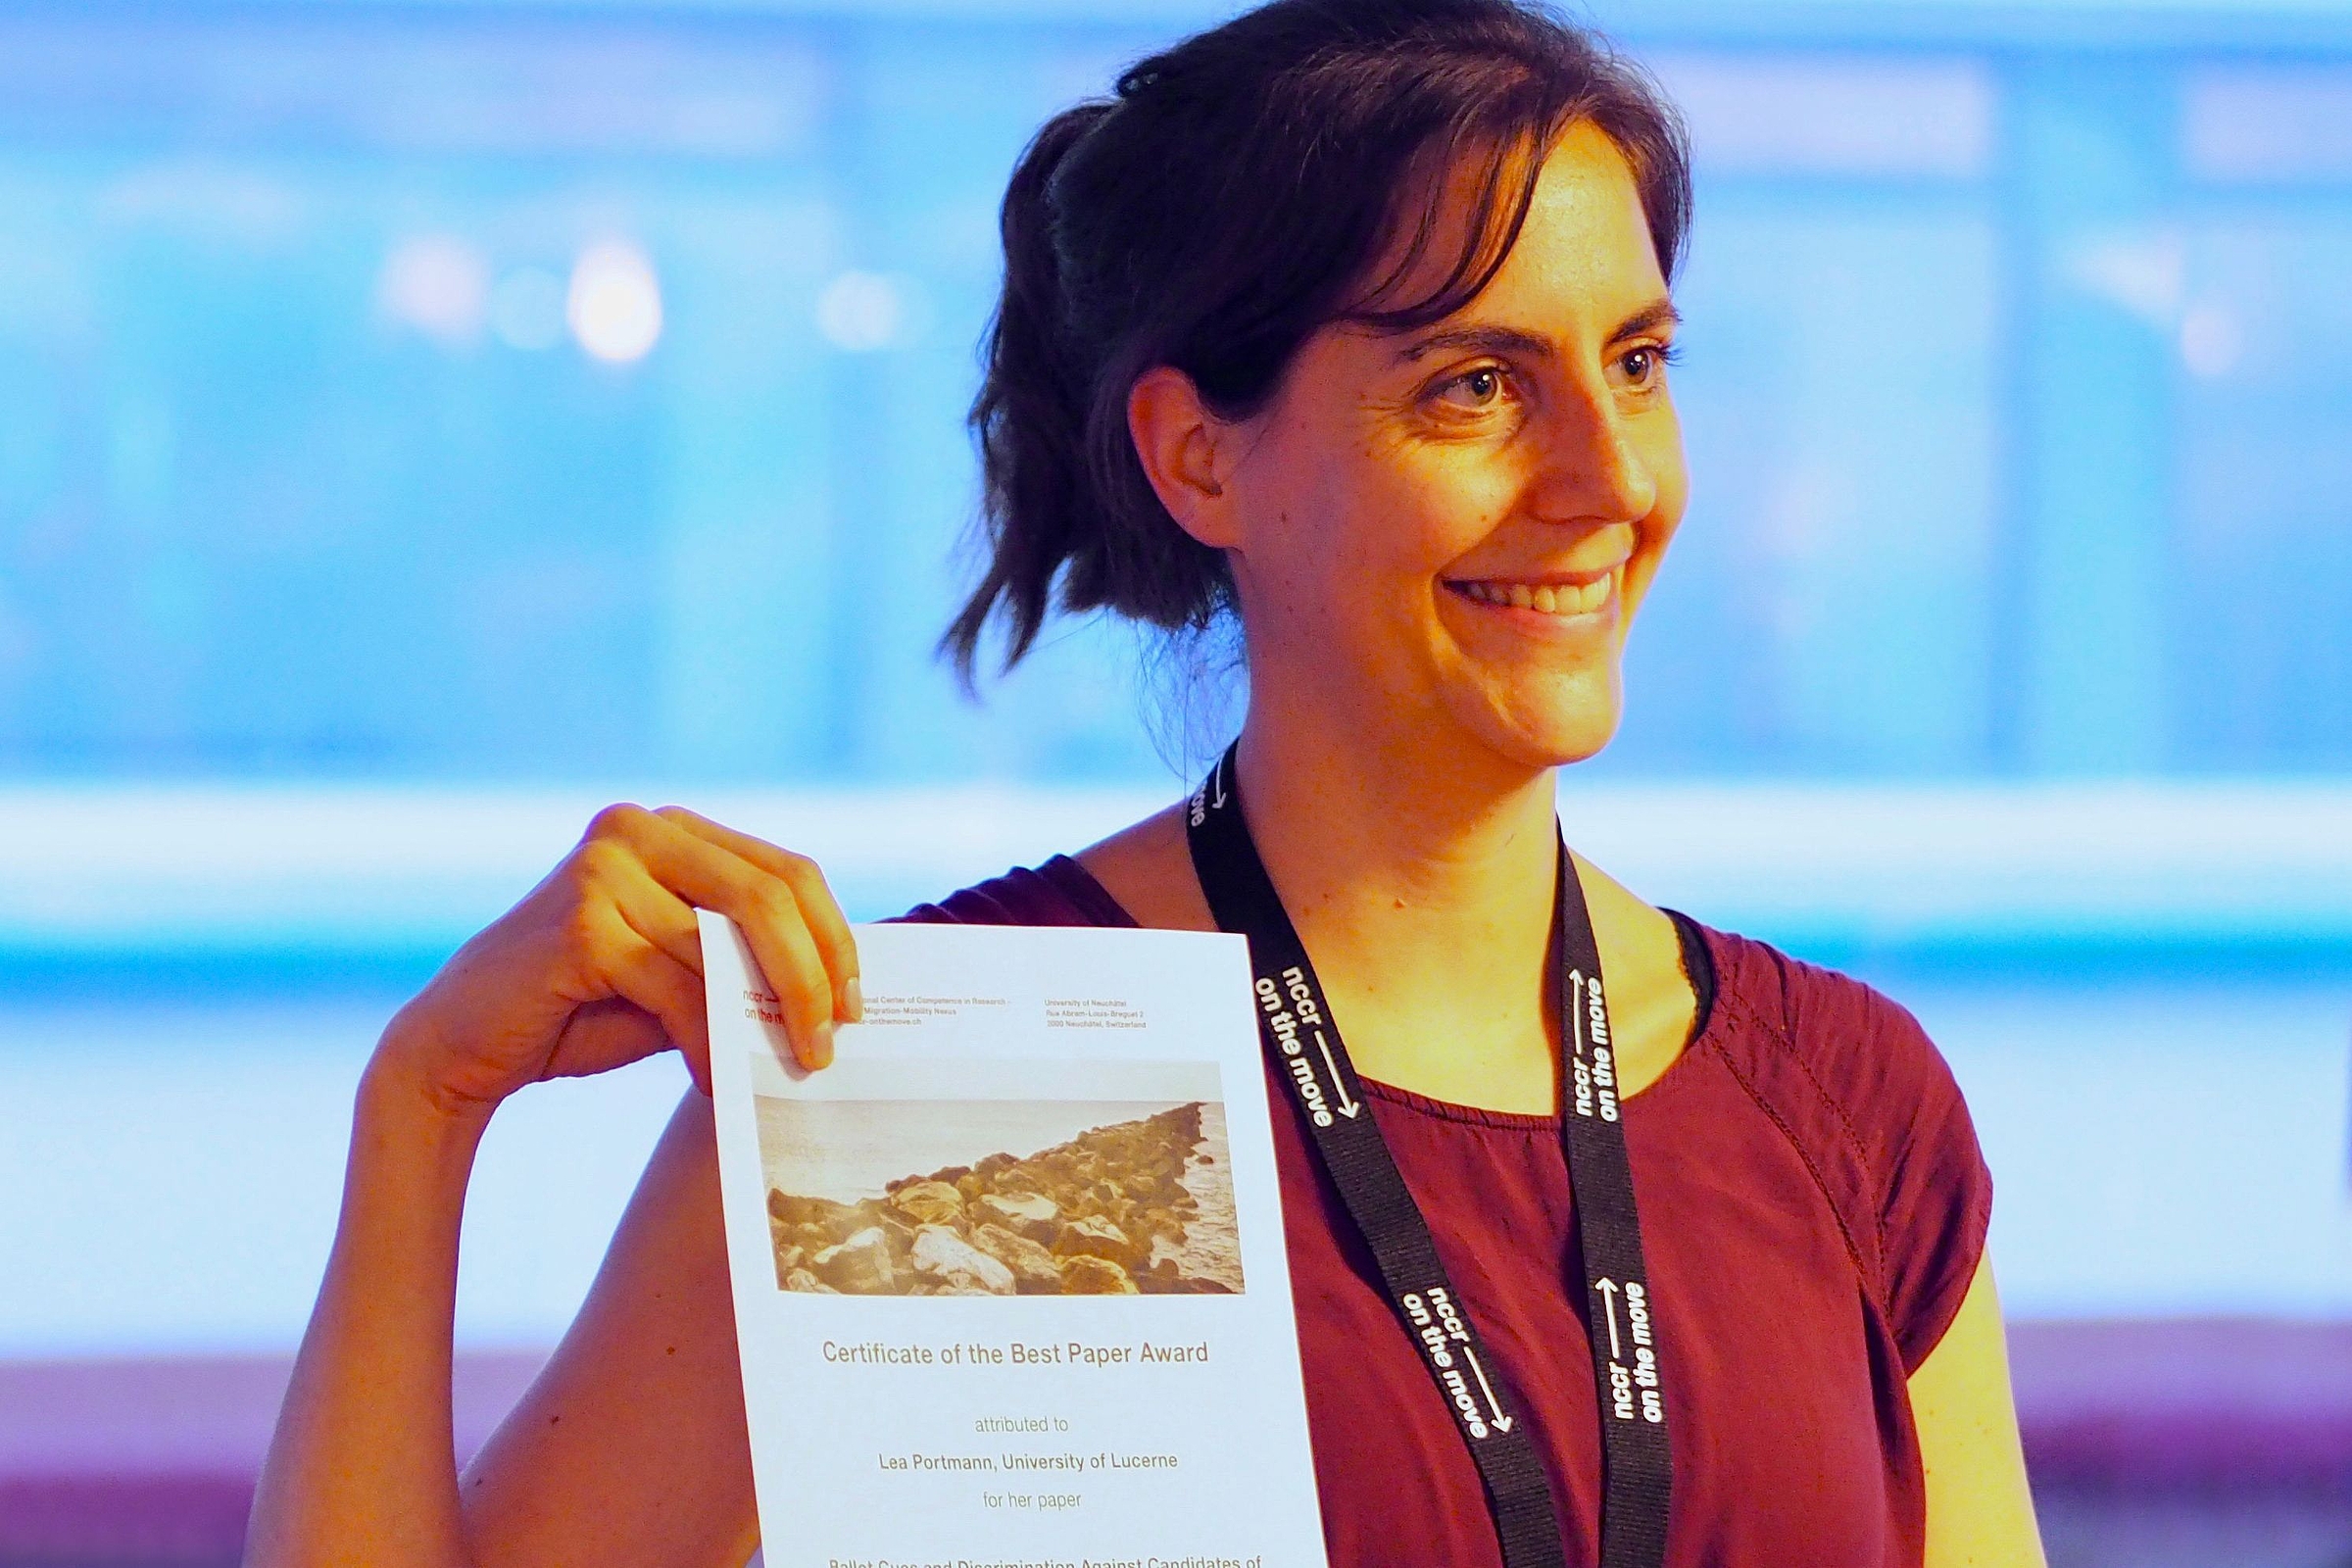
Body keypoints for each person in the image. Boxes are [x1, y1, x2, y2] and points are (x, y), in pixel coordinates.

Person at [247, 1, 2044, 1563]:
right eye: (1476, 386)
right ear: (1198, 457)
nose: (1609, 478)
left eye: (1636, 364)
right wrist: (423, 1115)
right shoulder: (935, 1082)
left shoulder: (1844, 1105)